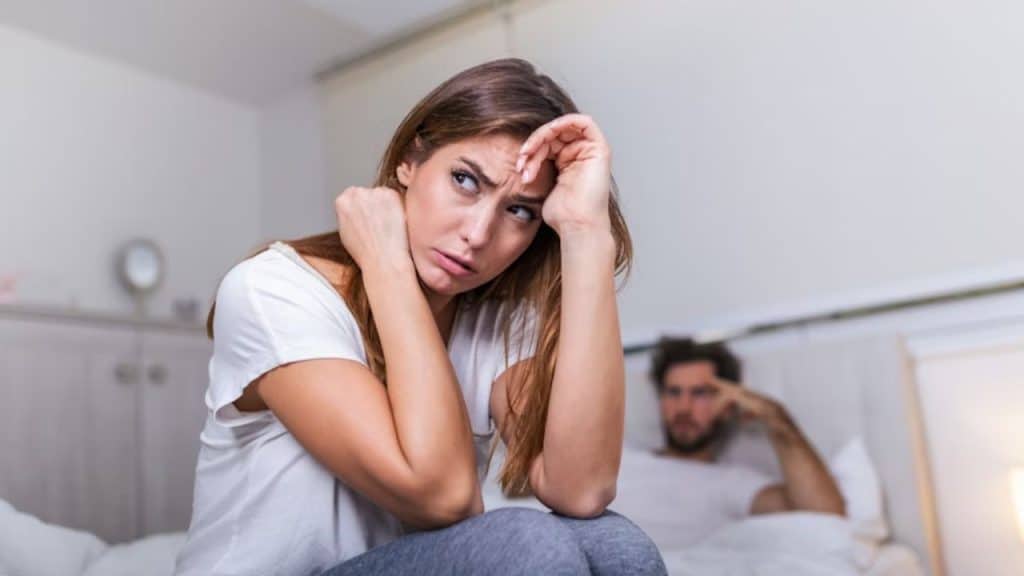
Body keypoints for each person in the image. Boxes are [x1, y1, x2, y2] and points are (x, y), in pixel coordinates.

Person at [173, 58, 666, 575]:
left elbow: (581, 488)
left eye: (519, 211)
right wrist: (386, 264)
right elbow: (443, 497)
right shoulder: (274, 289)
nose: (478, 233)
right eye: (465, 180)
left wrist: (587, 233)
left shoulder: (492, 320)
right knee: (523, 542)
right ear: (410, 160)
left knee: (615, 545)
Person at [630, 337, 845, 546]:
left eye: (700, 393)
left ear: (728, 404)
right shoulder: (622, 462)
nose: (684, 407)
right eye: (673, 392)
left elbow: (825, 521)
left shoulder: (733, 484)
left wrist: (777, 419)